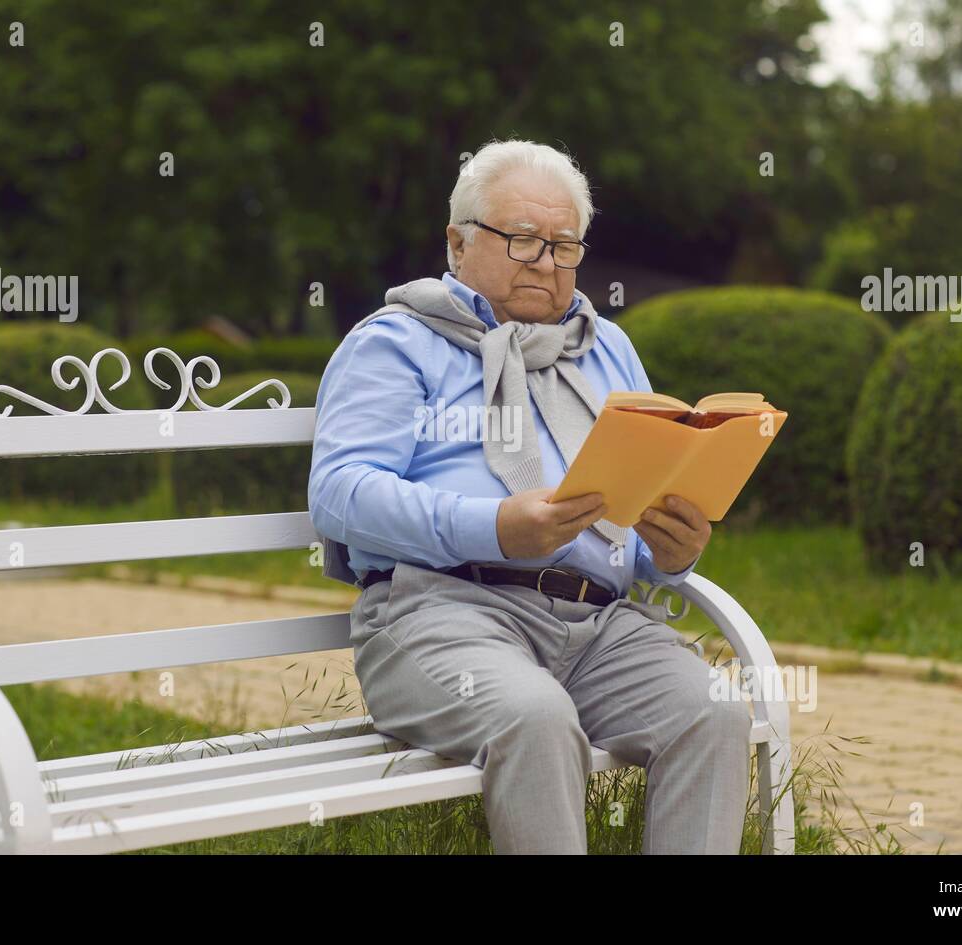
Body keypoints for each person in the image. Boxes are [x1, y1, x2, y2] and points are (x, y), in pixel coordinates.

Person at [308, 138, 751, 854]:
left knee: (712, 710)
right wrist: (496, 528)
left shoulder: (607, 348)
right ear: (457, 243)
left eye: (563, 244)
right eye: (521, 239)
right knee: (536, 716)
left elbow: (633, 521)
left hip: (598, 623)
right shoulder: (396, 342)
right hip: (438, 613)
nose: (545, 261)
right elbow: (339, 493)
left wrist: (670, 551)